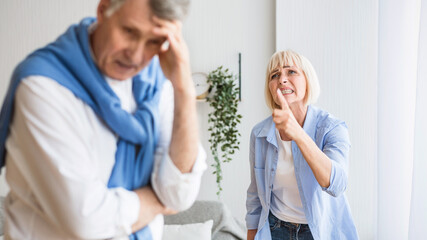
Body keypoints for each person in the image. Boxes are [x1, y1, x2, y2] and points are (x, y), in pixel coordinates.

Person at [0, 0, 206, 239]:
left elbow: (180, 194)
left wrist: (184, 91)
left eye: (154, 41)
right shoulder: (42, 87)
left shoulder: (156, 84)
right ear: (103, 10)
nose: (136, 56)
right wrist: (157, 202)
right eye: (129, 31)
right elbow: (87, 220)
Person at [246, 50, 358, 240]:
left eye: (291, 72)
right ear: (270, 88)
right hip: (275, 229)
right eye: (275, 75)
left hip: (320, 231)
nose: (282, 79)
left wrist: (298, 133)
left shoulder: (332, 127)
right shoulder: (260, 134)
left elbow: (337, 184)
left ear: (308, 80)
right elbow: (256, 195)